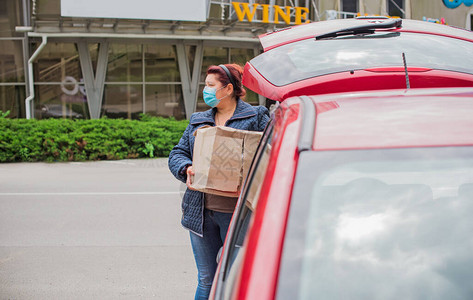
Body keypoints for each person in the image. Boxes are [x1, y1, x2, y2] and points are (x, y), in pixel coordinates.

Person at [168, 63, 270, 300]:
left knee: (234, 279)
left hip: (238, 213)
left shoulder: (255, 116)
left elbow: (273, 152)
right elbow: (178, 153)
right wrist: (186, 167)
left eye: (210, 86)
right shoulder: (199, 119)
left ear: (228, 89)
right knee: (206, 279)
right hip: (200, 212)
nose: (206, 90)